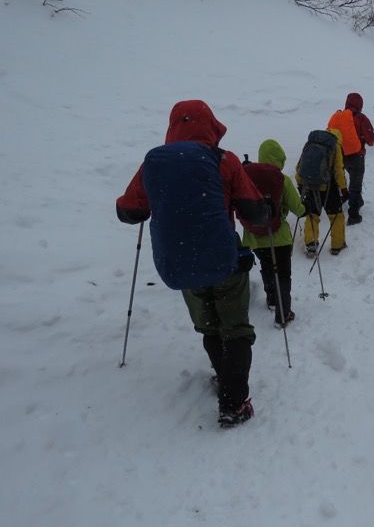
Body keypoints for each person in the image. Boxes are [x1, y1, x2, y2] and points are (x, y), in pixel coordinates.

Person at [116, 100, 273, 428]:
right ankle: (233, 402)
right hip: (224, 259)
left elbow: (128, 212)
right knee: (236, 327)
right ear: (211, 125)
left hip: (180, 263)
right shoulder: (224, 160)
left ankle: (223, 377)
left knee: (210, 325)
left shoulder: (155, 164)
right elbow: (255, 214)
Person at [241, 139, 306, 328]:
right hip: (279, 237)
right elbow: (298, 209)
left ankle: (271, 299)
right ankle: (283, 313)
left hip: (254, 237)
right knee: (283, 274)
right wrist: (306, 207)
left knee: (267, 267)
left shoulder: (245, 178)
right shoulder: (282, 179)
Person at [327, 92, 374, 225]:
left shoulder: (337, 116)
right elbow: (370, 140)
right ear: (360, 104)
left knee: (340, 178)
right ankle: (353, 215)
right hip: (356, 155)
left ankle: (343, 200)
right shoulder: (360, 118)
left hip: (338, 154)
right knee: (356, 183)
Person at [296, 128, 349, 257]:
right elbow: (338, 171)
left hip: (310, 186)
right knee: (336, 215)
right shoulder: (335, 147)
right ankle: (337, 245)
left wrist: (300, 183)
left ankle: (311, 243)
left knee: (312, 215)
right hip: (329, 188)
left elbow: (299, 166)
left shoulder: (311, 143)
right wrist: (344, 189)